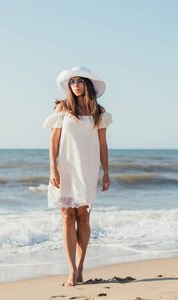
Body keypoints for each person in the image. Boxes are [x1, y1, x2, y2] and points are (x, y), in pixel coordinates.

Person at [43, 66, 113, 286]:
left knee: (83, 218)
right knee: (67, 217)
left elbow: (103, 144)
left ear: (87, 84)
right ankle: (71, 270)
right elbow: (54, 141)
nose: (76, 85)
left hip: (88, 168)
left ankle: (81, 267)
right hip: (65, 167)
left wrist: (106, 171)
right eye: (72, 82)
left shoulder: (98, 111)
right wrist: (53, 168)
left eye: (80, 81)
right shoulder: (62, 108)